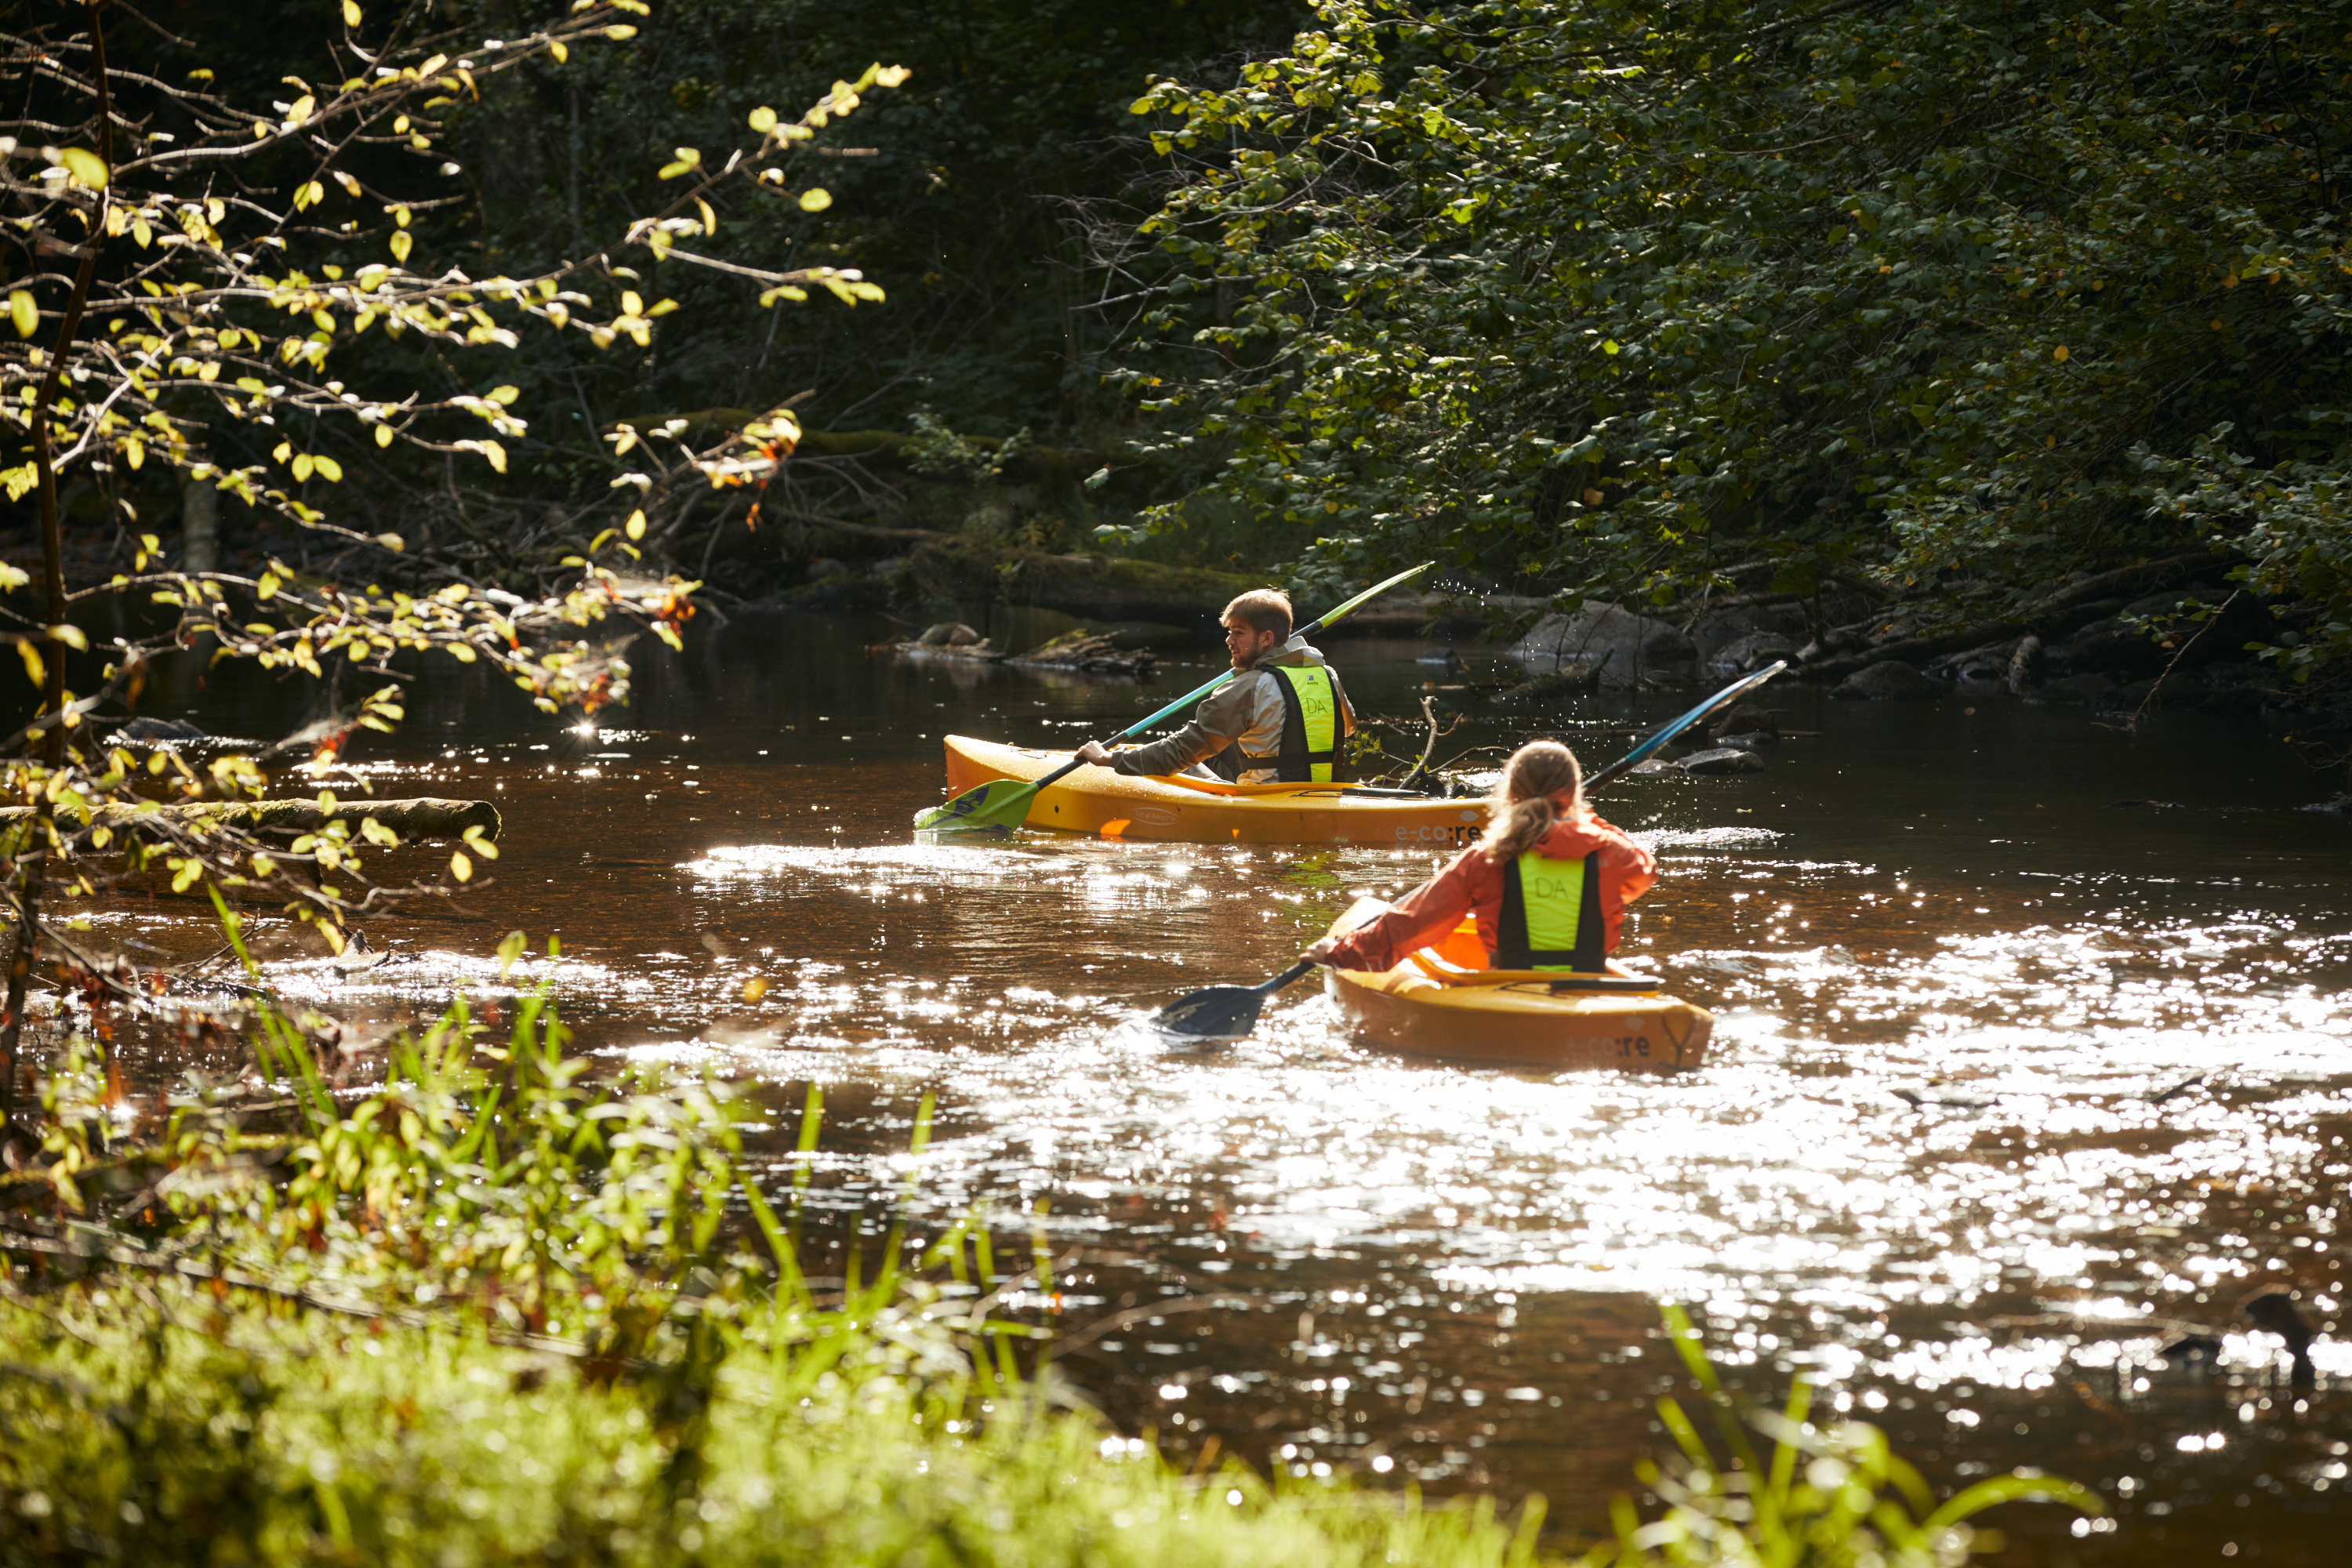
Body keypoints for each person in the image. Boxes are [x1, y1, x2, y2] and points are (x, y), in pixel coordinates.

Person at [1301, 739, 1657, 974]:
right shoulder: (1612, 852)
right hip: (1589, 990)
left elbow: (1415, 922)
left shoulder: (1488, 858)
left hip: (1508, 990)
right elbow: (1645, 871)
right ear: (1574, 794)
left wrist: (1339, 952)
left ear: (1511, 793)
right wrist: (1585, 821)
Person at [1076, 589, 1355, 784]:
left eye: (1238, 633)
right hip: (1324, 792)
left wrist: (1110, 760)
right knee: (1225, 743)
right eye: (1229, 632)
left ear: (1267, 639)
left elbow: (1181, 750)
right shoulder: (1326, 674)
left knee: (1189, 759)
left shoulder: (1248, 687)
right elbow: (1347, 727)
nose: (1229, 641)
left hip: (1268, 798)